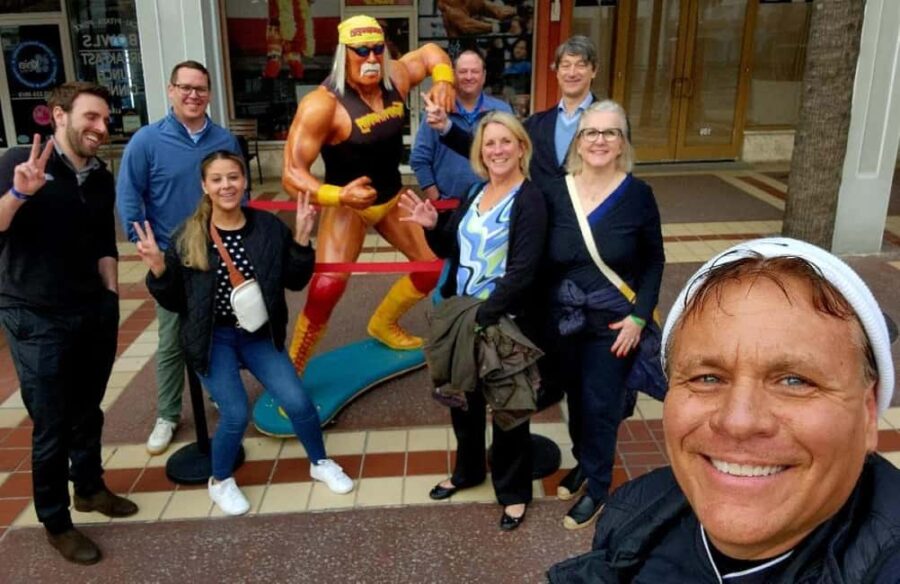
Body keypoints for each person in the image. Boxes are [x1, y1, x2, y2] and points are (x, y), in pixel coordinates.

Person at [549, 237, 900, 582]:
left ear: (869, 414)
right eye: (707, 378)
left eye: (795, 381)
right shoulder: (629, 513)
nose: (738, 421)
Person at [134, 151, 354, 516]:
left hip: (257, 334)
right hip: (212, 338)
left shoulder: (267, 227)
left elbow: (295, 280)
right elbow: (176, 303)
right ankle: (220, 480)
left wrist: (300, 240)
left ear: (245, 181)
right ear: (204, 186)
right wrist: (159, 270)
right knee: (235, 413)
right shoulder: (188, 235)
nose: (226, 186)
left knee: (298, 401)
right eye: (217, 179)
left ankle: (320, 462)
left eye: (233, 177)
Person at [0, 82, 138, 565]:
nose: (101, 128)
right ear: (58, 116)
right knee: (52, 422)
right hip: (35, 314)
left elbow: (104, 241)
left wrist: (110, 298)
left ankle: (90, 488)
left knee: (89, 409)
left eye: (105, 119)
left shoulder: (100, 176)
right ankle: (56, 521)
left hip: (90, 309)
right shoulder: (20, 161)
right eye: (91, 118)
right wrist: (19, 192)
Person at [281, 15, 455, 374]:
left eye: (378, 50)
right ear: (344, 54)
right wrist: (336, 195)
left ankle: (383, 324)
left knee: (431, 269)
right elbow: (291, 173)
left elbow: (431, 52)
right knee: (327, 286)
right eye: (361, 52)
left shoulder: (397, 79)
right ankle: (292, 371)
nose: (372, 59)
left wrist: (444, 81)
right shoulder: (322, 105)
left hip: (391, 197)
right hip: (348, 207)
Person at [400, 111, 548, 531]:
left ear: (521, 147)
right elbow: (453, 248)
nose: (497, 150)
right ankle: (468, 472)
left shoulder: (530, 199)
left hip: (503, 321)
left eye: (505, 141)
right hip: (464, 315)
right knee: (462, 403)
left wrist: (484, 314)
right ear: (480, 152)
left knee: (508, 409)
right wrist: (432, 227)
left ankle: (514, 492)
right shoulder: (474, 192)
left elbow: (524, 270)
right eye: (489, 144)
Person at [545, 100, 665, 530]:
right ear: (579, 141)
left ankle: (597, 486)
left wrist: (638, 317)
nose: (599, 140)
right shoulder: (556, 191)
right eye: (591, 132)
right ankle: (583, 461)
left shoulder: (637, 195)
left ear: (622, 142)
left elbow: (654, 261)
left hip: (614, 324)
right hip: (566, 321)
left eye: (609, 132)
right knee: (575, 400)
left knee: (600, 404)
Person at [117, 60, 243, 456]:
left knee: (221, 332)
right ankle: (168, 414)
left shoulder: (223, 139)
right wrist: (145, 244)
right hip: (172, 261)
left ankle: (221, 396)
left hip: (218, 254)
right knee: (172, 340)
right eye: (185, 87)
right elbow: (129, 196)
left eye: (201, 89)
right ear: (171, 90)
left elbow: (241, 192)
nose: (193, 95)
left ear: (209, 94)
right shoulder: (146, 141)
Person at [431, 35, 599, 195]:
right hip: (541, 219)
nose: (572, 72)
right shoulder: (538, 123)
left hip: (587, 219)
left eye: (581, 65)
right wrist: (446, 127)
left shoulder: (609, 122)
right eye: (565, 65)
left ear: (594, 71)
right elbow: (486, 148)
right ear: (557, 71)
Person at [410, 49, 512, 202]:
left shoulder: (501, 111)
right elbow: (419, 159)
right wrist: (436, 199)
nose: (469, 77)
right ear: (453, 76)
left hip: (494, 204)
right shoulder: (437, 112)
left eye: (475, 71)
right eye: (463, 72)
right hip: (448, 206)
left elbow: (513, 158)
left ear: (483, 76)